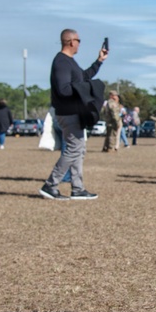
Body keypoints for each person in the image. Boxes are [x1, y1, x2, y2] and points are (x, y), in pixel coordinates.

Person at [40, 28, 107, 200]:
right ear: (71, 41)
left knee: (79, 149)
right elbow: (64, 89)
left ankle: (78, 188)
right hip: (68, 112)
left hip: (74, 113)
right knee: (73, 149)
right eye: (79, 40)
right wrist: (85, 90)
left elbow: (83, 78)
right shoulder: (61, 62)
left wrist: (99, 61)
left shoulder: (70, 62)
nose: (79, 44)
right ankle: (50, 185)